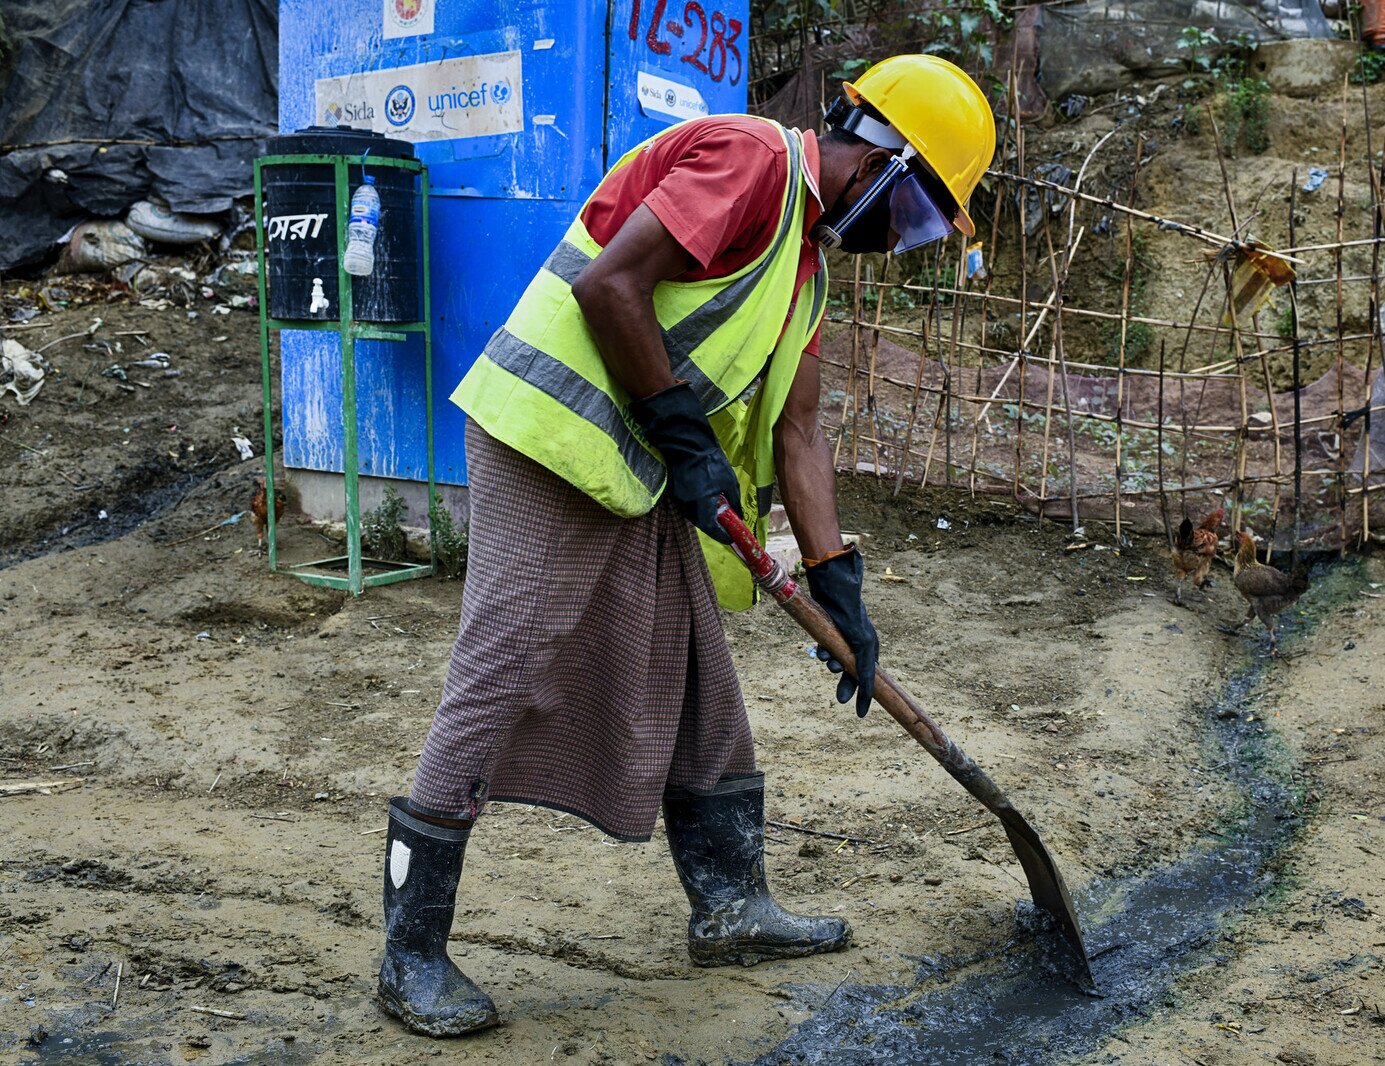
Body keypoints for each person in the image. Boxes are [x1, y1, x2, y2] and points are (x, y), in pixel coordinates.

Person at [376, 54, 996, 1037]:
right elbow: (614, 284)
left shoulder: (805, 273)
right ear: (881, 158)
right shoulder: (749, 161)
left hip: (636, 457)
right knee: (506, 661)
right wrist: (682, 431)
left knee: (698, 663)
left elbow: (799, 433)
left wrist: (840, 582)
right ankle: (409, 952)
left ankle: (732, 904)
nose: (899, 239)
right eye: (916, 214)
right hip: (549, 431)